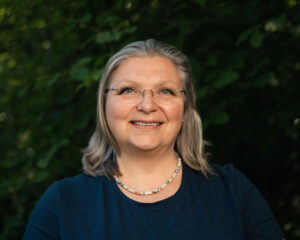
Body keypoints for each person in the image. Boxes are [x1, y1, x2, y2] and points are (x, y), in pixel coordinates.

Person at [23, 39, 285, 240]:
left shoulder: (233, 193)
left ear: (185, 107)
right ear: (104, 105)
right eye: (128, 90)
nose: (147, 105)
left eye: (165, 91)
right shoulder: (62, 203)